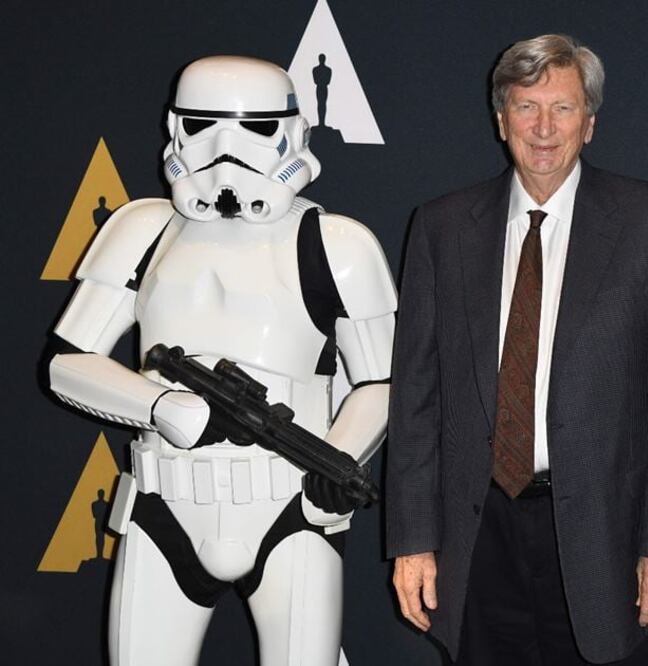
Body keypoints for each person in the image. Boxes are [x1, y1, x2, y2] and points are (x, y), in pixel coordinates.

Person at [46, 56, 397, 665]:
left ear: (292, 132)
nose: (224, 149)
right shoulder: (144, 230)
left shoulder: (334, 245)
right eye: (205, 125)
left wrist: (338, 459)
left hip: (290, 507)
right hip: (166, 504)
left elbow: (382, 382)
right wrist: (158, 405)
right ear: (177, 128)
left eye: (254, 127)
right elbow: (65, 362)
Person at [386, 33, 648, 665]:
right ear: (500, 116)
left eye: (561, 108)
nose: (543, 127)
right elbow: (416, 400)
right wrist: (414, 541)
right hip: (478, 539)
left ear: (589, 124)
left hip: (609, 541)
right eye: (526, 106)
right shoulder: (442, 228)